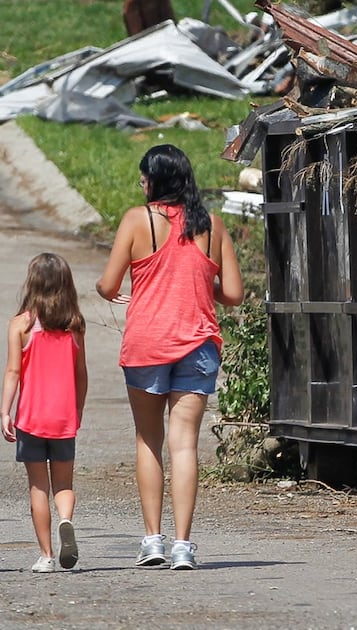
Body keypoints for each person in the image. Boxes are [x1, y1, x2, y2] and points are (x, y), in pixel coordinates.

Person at [97, 144, 243, 571]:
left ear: (155, 181)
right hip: (197, 345)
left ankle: (152, 540)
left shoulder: (136, 221)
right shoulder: (212, 227)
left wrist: (115, 291)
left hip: (147, 344)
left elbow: (109, 285)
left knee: (148, 440)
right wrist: (199, 283)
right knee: (185, 446)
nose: (141, 185)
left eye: (144, 178)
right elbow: (232, 294)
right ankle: (183, 544)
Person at [0, 253, 89, 574]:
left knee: (39, 487)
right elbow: (81, 374)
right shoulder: (75, 326)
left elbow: (13, 371)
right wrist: (77, 409)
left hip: (31, 419)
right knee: (63, 485)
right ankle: (66, 519)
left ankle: (47, 555)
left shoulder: (21, 325)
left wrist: (5, 411)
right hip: (64, 419)